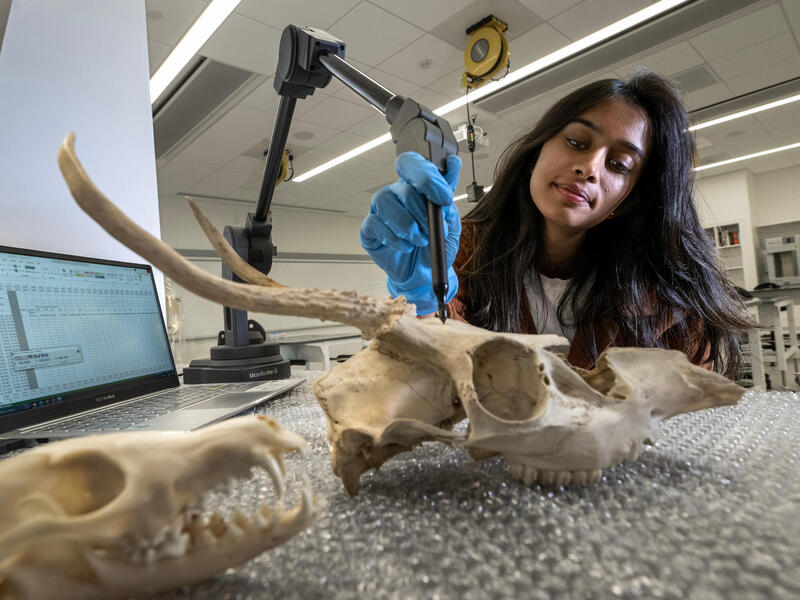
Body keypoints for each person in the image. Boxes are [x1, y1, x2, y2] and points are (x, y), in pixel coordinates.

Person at [360, 70, 753, 377]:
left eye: (618, 165)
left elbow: (681, 425)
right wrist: (424, 299)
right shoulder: (465, 249)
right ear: (538, 151)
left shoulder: (667, 303)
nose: (589, 167)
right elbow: (431, 376)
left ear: (627, 200)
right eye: (578, 143)